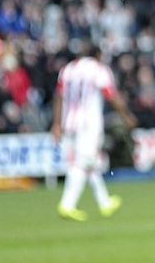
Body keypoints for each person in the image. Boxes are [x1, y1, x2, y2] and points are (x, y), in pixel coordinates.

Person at [51, 43, 137, 221]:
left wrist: (57, 124)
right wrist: (127, 116)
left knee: (90, 162)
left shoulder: (68, 70)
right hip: (89, 123)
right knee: (83, 163)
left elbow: (58, 97)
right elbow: (111, 95)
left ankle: (104, 203)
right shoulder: (98, 70)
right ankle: (67, 204)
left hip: (70, 122)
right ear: (97, 55)